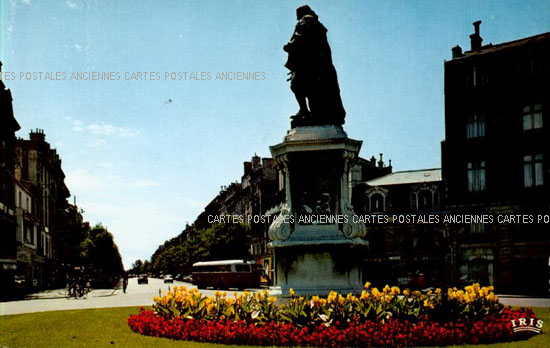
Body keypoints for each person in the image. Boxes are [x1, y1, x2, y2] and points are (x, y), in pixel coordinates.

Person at [284, 5, 346, 127]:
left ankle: (304, 111)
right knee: (317, 90)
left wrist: (288, 46)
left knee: (297, 85)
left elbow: (298, 38)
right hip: (320, 64)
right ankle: (312, 112)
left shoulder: (305, 20)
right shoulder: (317, 24)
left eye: (297, 14)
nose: (297, 18)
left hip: (310, 63)